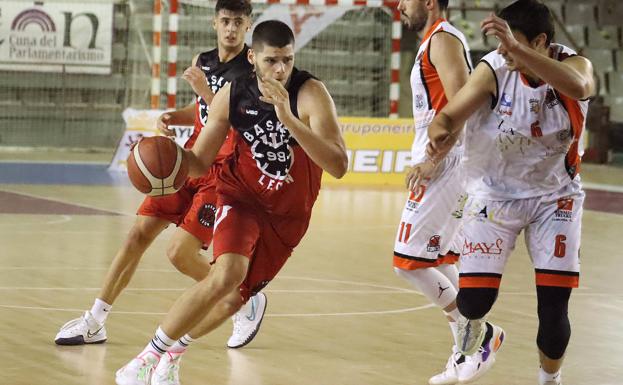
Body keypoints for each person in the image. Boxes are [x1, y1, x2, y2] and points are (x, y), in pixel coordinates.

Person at [114, 20, 348, 385]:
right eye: (271, 61)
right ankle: (145, 359)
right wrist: (169, 160)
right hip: (240, 197)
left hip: (288, 215)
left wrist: (287, 117)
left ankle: (172, 356)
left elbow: (338, 165)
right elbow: (199, 162)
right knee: (226, 275)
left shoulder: (310, 94)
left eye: (287, 60)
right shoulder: (232, 92)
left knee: (235, 299)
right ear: (252, 57)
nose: (280, 69)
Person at [54, 0, 267, 352]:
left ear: (248, 26)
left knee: (178, 253)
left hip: (223, 173)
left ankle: (244, 297)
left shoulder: (251, 69)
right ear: (214, 23)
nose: (231, 28)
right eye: (225, 21)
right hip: (189, 161)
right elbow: (201, 114)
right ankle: (94, 321)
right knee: (137, 234)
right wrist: (170, 117)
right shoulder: (204, 61)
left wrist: (207, 93)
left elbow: (242, 122)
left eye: (238, 22)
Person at [424, 1, 595, 384]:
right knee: (473, 302)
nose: (503, 51)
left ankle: (550, 380)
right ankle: (482, 340)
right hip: (493, 196)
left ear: (541, 41)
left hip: (556, 198)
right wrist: (441, 132)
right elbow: (451, 115)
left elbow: (580, 87)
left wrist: (519, 52)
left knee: (553, 308)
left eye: (512, 44)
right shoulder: (494, 70)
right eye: (502, 45)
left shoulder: (575, 66)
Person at [392, 0, 501, 384]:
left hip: (445, 163)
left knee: (408, 261)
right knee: (436, 258)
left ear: (430, 2)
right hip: (450, 161)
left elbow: (461, 103)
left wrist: (433, 161)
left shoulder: (443, 39)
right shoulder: (435, 42)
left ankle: (479, 333)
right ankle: (467, 346)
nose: (401, 5)